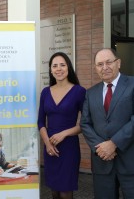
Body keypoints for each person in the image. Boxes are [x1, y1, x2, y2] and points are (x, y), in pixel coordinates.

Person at [80, 48, 134, 199]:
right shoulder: (90, 93)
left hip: (133, 162)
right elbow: (85, 123)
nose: (104, 67)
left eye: (108, 62)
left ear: (118, 63)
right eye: (100, 64)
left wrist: (113, 143)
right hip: (102, 163)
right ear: (95, 68)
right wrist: (100, 147)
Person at [37, 52, 86, 199]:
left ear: (68, 68)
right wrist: (47, 144)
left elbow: (85, 124)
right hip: (50, 147)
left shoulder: (79, 91)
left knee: (65, 191)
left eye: (62, 65)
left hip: (69, 148)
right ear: (51, 70)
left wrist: (63, 134)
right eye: (55, 66)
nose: (59, 69)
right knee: (54, 191)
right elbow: (40, 122)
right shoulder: (45, 92)